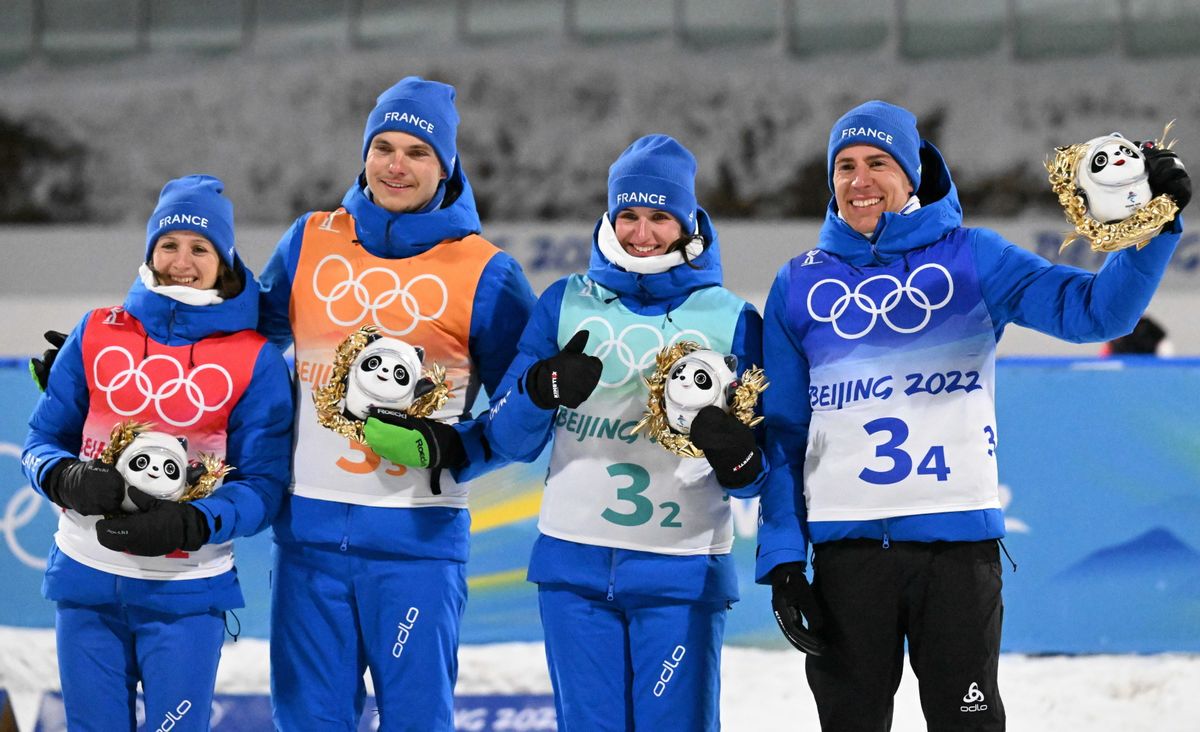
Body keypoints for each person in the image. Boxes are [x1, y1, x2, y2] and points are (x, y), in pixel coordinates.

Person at [758, 100, 1190, 731]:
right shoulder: (797, 284)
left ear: (912, 174)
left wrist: (1151, 229)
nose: (859, 180)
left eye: (878, 162)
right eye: (844, 165)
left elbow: (1097, 313)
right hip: (848, 556)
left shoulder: (976, 258)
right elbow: (784, 433)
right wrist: (784, 561)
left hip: (956, 554)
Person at [257, 76, 536, 730]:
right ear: (364, 155)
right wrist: (114, 347)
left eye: (417, 151)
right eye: (383, 146)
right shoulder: (309, 241)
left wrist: (460, 450)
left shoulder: (485, 271)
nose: (396, 164)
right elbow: (235, 332)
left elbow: (525, 416)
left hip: (417, 544)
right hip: (308, 543)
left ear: (445, 166)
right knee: (306, 721)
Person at [481, 134, 768, 731]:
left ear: (688, 222)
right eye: (628, 215)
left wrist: (737, 455)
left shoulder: (732, 320)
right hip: (574, 573)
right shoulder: (564, 302)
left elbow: (755, 476)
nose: (642, 233)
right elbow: (508, 440)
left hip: (680, 576)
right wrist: (540, 389)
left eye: (660, 217)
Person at [20, 174, 293, 731]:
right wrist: (63, 477)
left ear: (225, 261)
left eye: (200, 248)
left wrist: (191, 522)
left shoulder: (255, 359)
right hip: (86, 580)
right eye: (168, 244)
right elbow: (39, 442)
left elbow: (263, 488)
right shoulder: (96, 330)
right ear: (150, 251)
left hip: (185, 593)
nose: (181, 261)